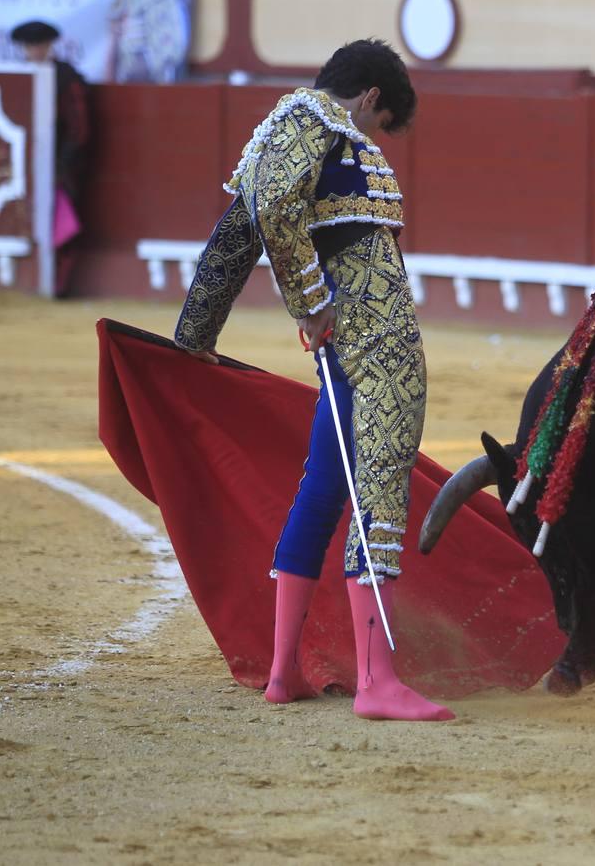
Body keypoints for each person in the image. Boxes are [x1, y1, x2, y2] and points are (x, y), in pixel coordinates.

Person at [173, 39, 453, 722]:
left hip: (345, 343)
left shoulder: (276, 132)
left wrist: (196, 334)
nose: (371, 134)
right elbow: (271, 215)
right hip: (375, 341)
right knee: (378, 489)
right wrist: (311, 303)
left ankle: (282, 672)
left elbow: (235, 237)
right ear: (370, 98)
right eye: (380, 124)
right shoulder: (318, 121)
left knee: (326, 489)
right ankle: (376, 682)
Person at [11, 20, 89, 297]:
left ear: (49, 45)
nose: (33, 51)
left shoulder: (67, 77)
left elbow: (79, 128)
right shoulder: (18, 75)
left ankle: (57, 287)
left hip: (59, 167)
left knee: (62, 225)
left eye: (38, 45)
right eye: (29, 46)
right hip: (21, 168)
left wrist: (62, 167)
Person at [107, 0, 189, 83]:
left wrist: (146, 64)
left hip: (156, 91)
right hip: (126, 92)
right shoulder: (123, 2)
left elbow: (174, 48)